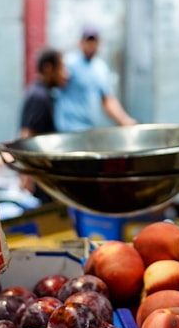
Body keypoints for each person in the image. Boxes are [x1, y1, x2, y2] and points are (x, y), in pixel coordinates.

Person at [54, 27, 136, 132]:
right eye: (88, 42)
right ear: (81, 42)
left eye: (94, 42)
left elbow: (107, 99)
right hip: (68, 128)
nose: (91, 46)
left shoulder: (100, 68)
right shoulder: (69, 63)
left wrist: (125, 120)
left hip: (88, 129)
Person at [18, 47, 68, 203]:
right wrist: (26, 176)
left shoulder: (44, 94)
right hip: (39, 178)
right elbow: (27, 136)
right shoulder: (39, 98)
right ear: (49, 68)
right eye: (61, 68)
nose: (66, 75)